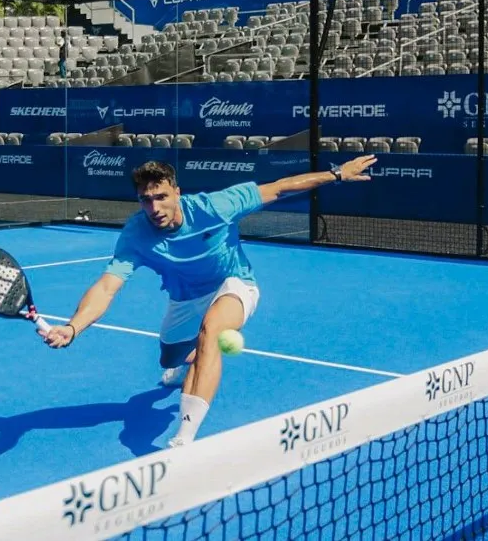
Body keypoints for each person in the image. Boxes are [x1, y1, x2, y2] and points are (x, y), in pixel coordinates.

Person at [40, 154, 377, 447]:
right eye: (145, 199)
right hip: (184, 298)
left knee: (212, 331)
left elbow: (280, 187)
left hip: (233, 284)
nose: (154, 207)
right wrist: (74, 327)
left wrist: (336, 174)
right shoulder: (136, 233)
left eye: (161, 196)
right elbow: (106, 287)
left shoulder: (216, 206)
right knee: (168, 359)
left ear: (177, 192)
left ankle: (184, 436)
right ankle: (188, 357)